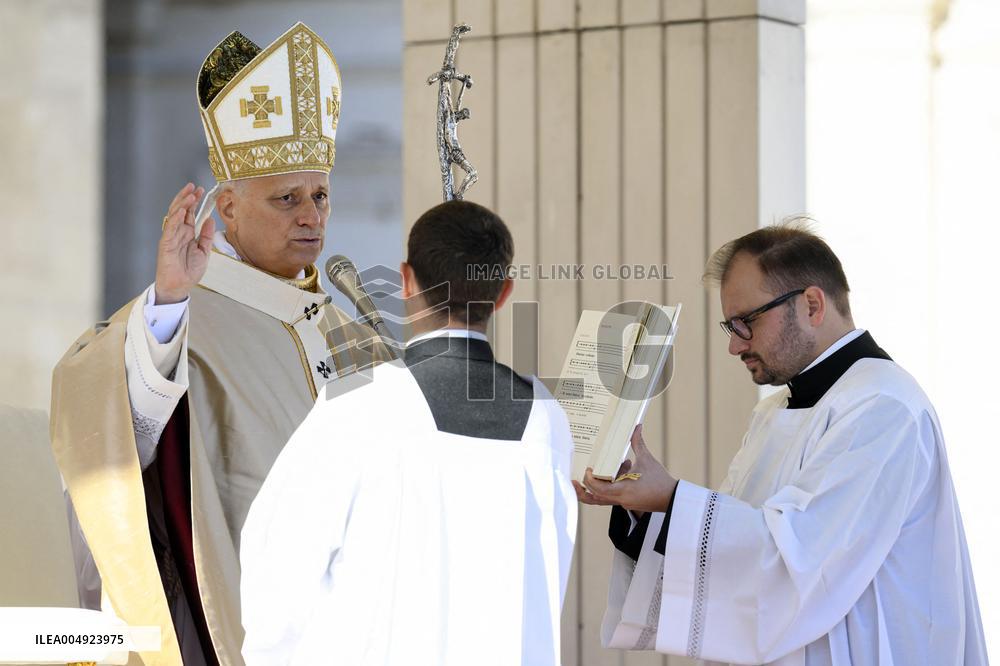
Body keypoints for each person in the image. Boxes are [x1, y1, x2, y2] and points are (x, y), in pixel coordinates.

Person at [50, 23, 389, 666]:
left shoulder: (355, 337)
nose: (311, 216)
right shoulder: (186, 316)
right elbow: (119, 434)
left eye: (319, 195)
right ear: (227, 207)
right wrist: (170, 300)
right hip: (246, 627)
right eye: (286, 198)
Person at [576, 222, 987, 664]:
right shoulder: (773, 412)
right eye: (729, 326)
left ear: (811, 305)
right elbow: (738, 554)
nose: (735, 346)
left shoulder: (883, 407)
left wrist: (673, 499)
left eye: (746, 322)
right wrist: (647, 505)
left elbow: (804, 567)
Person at [240, 200, 578, 666]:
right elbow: (546, 584)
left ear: (405, 280)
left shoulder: (357, 403)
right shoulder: (547, 418)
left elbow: (277, 572)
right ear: (503, 293)